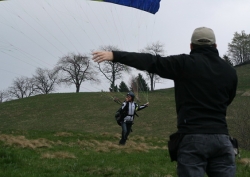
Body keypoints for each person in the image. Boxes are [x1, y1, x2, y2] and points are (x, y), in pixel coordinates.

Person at [92, 27, 238, 177]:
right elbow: (228, 100)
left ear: (191, 46)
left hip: (192, 138)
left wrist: (114, 55)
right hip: (222, 139)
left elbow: (151, 61)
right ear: (215, 46)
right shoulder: (230, 71)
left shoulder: (183, 64)